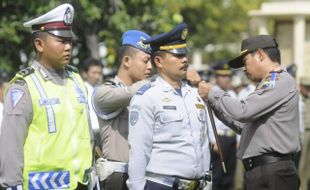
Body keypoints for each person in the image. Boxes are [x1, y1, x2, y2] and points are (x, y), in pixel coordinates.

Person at [0, 4, 93, 190]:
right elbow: (11, 145)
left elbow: (87, 133)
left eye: (70, 41)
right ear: (39, 44)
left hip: (81, 184)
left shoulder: (76, 80)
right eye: (61, 41)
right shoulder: (24, 86)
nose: (68, 47)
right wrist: (11, 185)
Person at [198, 35, 300, 190]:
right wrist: (215, 105)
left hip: (273, 172)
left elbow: (243, 111)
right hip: (261, 171)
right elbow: (242, 125)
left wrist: (212, 92)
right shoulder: (269, 84)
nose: (244, 69)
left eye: (245, 62)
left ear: (260, 55)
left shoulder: (278, 80)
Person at [127, 23, 211, 190]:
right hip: (162, 184)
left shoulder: (195, 94)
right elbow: (139, 151)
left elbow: (203, 143)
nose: (185, 59)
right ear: (158, 61)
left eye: (185, 54)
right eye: (177, 55)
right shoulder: (148, 96)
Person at [92, 30, 153, 190]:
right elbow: (129, 93)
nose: (150, 67)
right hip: (118, 178)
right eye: (146, 61)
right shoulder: (105, 92)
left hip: (144, 174)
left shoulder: (146, 92)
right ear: (127, 60)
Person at [209, 62, 237, 190]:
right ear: (216, 77)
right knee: (217, 176)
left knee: (229, 176)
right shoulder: (210, 94)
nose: (226, 79)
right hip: (219, 138)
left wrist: (238, 139)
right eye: (223, 76)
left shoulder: (233, 94)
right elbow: (208, 119)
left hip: (231, 139)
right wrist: (213, 140)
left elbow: (238, 119)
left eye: (228, 76)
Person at [82, 58, 103, 135]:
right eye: (94, 73)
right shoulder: (81, 90)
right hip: (88, 133)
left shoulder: (100, 90)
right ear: (85, 73)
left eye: (99, 73)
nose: (97, 76)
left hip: (100, 132)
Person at [298, 76, 310, 190]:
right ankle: (302, 187)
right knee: (302, 163)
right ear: (300, 86)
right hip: (303, 133)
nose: (308, 89)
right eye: (306, 87)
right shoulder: (297, 99)